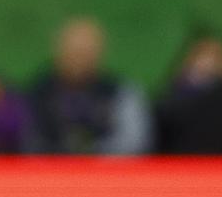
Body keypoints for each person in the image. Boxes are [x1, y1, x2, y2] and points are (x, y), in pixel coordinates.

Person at [26, 17, 152, 155]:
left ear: (99, 53)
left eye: (85, 53)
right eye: (73, 53)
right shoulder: (37, 94)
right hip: (48, 173)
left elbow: (134, 142)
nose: (79, 61)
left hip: (106, 173)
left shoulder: (119, 94)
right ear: (59, 50)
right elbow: (27, 141)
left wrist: (93, 154)